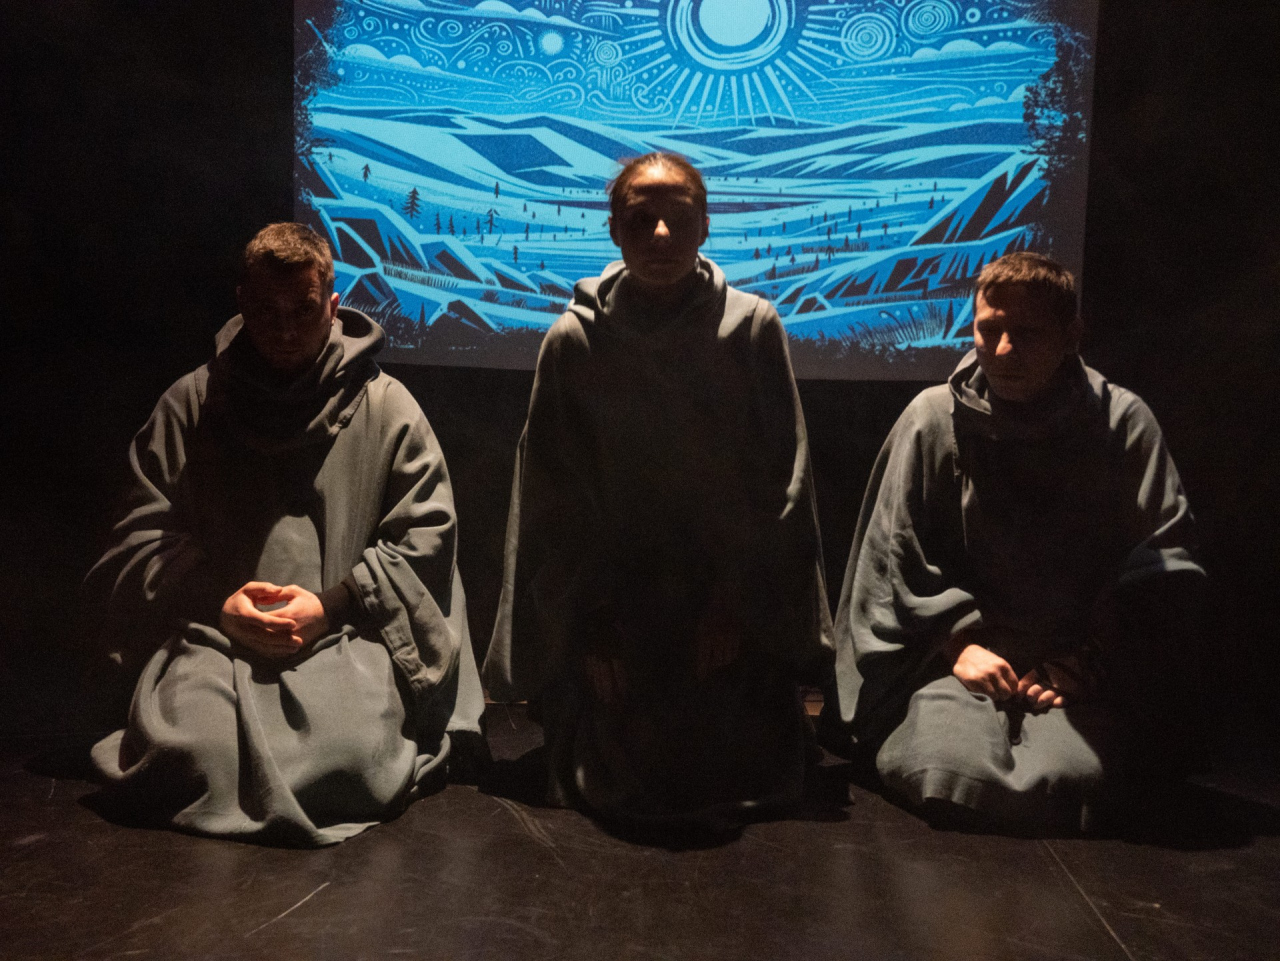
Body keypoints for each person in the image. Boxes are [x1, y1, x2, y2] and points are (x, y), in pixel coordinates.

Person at [87, 223, 484, 845]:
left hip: (349, 638)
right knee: (194, 752)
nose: (286, 329)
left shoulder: (387, 407)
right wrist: (219, 602)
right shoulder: (191, 404)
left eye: (303, 310)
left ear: (332, 305)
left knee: (350, 752)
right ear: (242, 304)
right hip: (216, 637)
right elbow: (138, 537)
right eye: (268, 312)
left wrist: (330, 607)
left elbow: (425, 539)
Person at [483, 153, 833, 824]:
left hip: (724, 600)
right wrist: (592, 625)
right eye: (642, 220)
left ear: (706, 225)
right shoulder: (575, 341)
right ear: (615, 229)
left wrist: (735, 602)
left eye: (679, 218)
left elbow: (779, 484)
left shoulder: (750, 329)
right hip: (617, 602)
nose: (661, 236)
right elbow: (554, 500)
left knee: (728, 765)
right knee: (624, 769)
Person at [825, 252, 1204, 833]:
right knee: (943, 765)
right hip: (956, 663)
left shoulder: (1121, 424)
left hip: (1069, 670)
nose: (1003, 351)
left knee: (1076, 772)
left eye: (1026, 334)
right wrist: (956, 644)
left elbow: (1161, 563)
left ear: (1070, 336)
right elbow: (893, 556)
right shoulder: (933, 419)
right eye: (988, 330)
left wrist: (1090, 661)